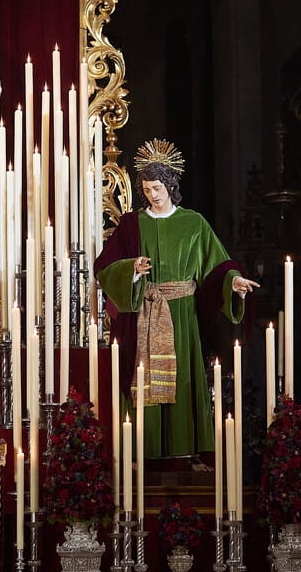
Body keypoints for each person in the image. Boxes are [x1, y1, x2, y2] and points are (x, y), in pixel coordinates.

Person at [94, 139, 259, 460]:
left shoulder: (193, 223)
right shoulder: (131, 224)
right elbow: (104, 268)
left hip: (182, 316)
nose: (152, 195)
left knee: (182, 379)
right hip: (144, 313)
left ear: (171, 186)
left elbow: (216, 267)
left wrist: (233, 281)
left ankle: (186, 452)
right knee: (143, 383)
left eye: (157, 187)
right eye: (146, 189)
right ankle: (144, 450)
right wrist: (133, 269)